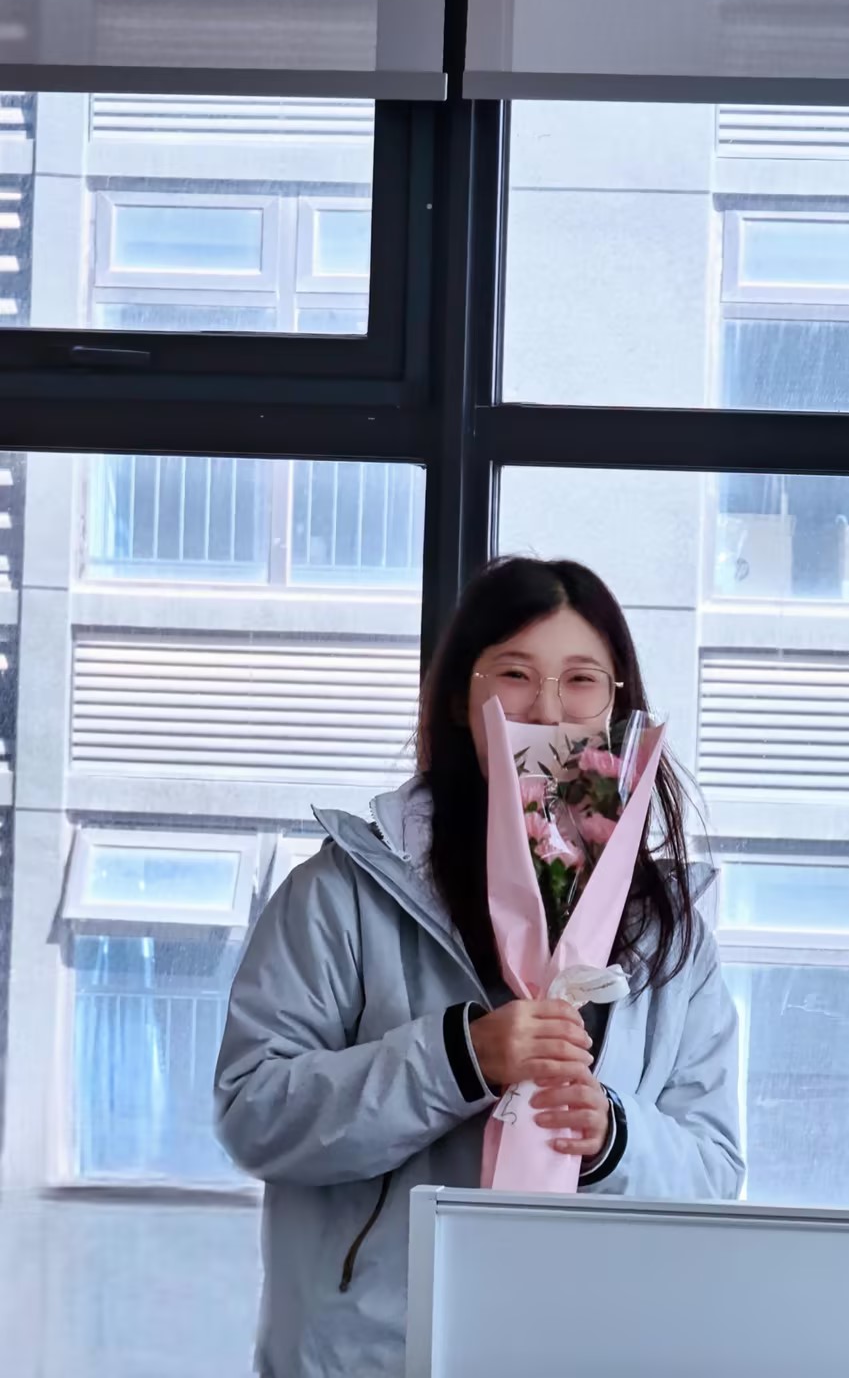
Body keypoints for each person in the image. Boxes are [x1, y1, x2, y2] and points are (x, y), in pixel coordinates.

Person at [214, 557, 744, 1378]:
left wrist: (614, 1138)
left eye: (581, 681)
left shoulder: (670, 935)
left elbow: (713, 1174)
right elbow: (255, 1113)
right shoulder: (343, 893)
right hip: (371, 1359)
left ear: (617, 705)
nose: (548, 710)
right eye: (515, 675)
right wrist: (458, 1059)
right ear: (464, 698)